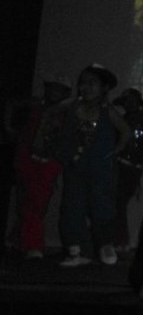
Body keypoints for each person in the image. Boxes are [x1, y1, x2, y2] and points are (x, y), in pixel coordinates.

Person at [55, 64, 131, 267]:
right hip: (75, 167)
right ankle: (77, 251)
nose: (86, 87)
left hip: (100, 169)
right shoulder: (72, 106)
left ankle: (105, 245)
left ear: (104, 87)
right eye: (83, 83)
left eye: (92, 83)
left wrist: (115, 151)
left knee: (102, 207)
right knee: (72, 207)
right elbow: (50, 114)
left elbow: (126, 131)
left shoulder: (108, 111)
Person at [12, 75, 72, 260]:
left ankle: (30, 243)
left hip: (48, 164)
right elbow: (13, 106)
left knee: (37, 204)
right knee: (25, 202)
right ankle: (24, 240)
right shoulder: (36, 106)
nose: (54, 92)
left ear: (65, 93)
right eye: (52, 87)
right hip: (27, 160)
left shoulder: (68, 112)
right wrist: (11, 130)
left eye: (59, 89)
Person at [112, 87, 143, 251]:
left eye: (132, 100)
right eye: (127, 101)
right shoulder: (122, 119)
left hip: (132, 167)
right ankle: (120, 240)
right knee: (118, 203)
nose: (130, 104)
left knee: (119, 203)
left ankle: (121, 240)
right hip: (121, 165)